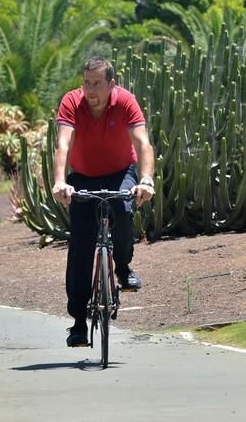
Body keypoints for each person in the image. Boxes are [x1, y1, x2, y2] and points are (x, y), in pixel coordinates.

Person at [51, 57, 155, 347]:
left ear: (111, 84)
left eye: (97, 83)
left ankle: (122, 268)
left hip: (121, 173)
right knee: (81, 245)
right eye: (86, 82)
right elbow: (63, 144)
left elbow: (143, 144)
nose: (90, 89)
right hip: (82, 176)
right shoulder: (72, 102)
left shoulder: (125, 102)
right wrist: (61, 181)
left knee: (122, 212)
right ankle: (78, 323)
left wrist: (146, 180)